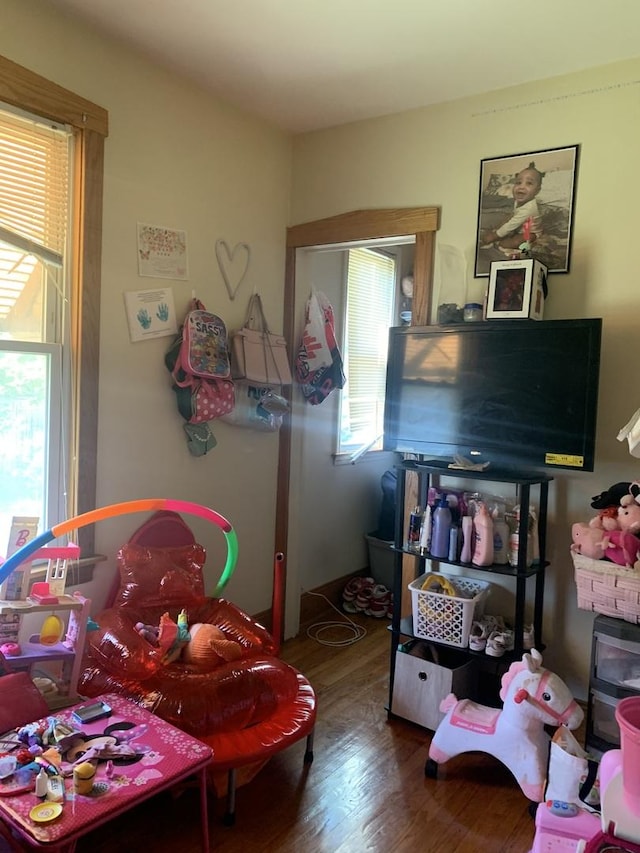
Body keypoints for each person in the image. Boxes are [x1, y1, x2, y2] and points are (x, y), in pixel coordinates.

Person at [481, 162, 545, 251]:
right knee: (506, 218)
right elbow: (513, 216)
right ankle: (499, 232)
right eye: (518, 182)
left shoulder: (530, 209)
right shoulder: (518, 200)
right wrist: (497, 228)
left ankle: (502, 241)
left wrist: (494, 236)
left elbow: (510, 226)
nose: (521, 187)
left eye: (529, 183)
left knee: (517, 241)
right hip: (518, 226)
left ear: (537, 191)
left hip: (530, 232)